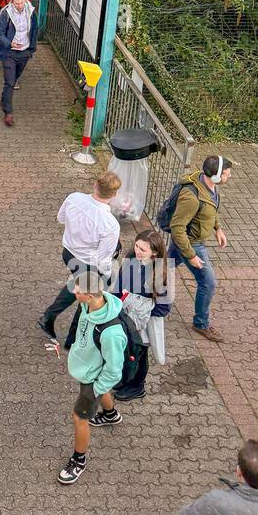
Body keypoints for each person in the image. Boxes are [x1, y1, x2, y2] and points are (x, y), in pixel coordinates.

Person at [63, 230, 171, 402]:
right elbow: (119, 286)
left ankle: (137, 386)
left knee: (140, 353)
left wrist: (142, 312)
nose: (137, 251)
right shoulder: (131, 259)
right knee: (127, 351)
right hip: (124, 314)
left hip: (141, 323)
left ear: (155, 252)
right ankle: (126, 380)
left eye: (143, 249)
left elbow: (164, 308)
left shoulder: (161, 273)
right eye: (137, 246)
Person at [57, 271, 128, 485]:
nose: (74, 292)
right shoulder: (88, 304)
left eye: (78, 291)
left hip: (94, 377)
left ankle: (78, 460)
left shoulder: (112, 333)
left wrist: (96, 389)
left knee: (79, 418)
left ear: (90, 295)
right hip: (88, 368)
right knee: (96, 391)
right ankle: (110, 414)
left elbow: (114, 370)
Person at [38, 172, 122, 339]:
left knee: (79, 286)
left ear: (95, 185)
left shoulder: (74, 198)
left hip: (68, 253)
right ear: (114, 195)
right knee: (87, 294)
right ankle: (68, 332)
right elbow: (103, 258)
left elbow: (60, 218)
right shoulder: (110, 224)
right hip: (88, 262)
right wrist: (106, 276)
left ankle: (63, 327)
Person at [168, 155, 232, 343]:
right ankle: (201, 323)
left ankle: (141, 284)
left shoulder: (209, 185)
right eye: (226, 175)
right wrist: (192, 255)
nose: (228, 177)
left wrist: (217, 228)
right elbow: (177, 228)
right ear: (215, 176)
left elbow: (211, 209)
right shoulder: (191, 198)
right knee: (208, 283)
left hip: (190, 241)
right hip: (191, 243)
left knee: (164, 266)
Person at [0, 0, 37, 126]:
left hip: (24, 52)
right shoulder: (5, 14)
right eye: (17, 3)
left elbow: (35, 30)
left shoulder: (31, 12)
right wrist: (9, 43)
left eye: (22, 3)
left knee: (15, 78)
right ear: (12, 2)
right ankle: (8, 112)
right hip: (9, 53)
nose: (20, 6)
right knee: (10, 82)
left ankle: (4, 98)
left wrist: (31, 49)